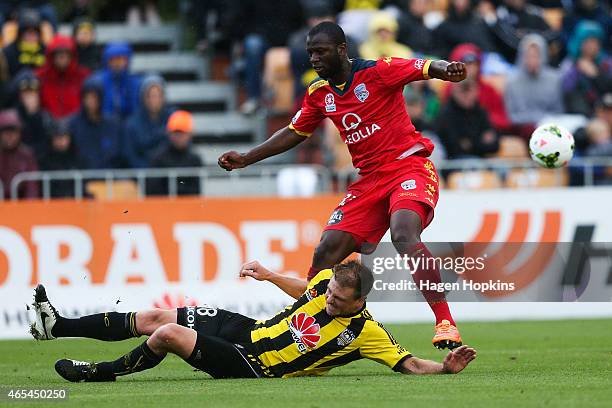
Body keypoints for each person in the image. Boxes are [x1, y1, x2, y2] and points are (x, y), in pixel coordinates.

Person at [219, 22, 467, 349]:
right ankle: (311, 327)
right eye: (310, 53)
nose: (314, 59)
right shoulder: (319, 93)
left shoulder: (379, 71)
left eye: (320, 52)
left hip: (408, 165)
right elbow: (295, 132)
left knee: (404, 233)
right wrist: (248, 158)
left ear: (341, 50)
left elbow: (422, 66)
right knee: (326, 251)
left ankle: (445, 322)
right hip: (368, 181)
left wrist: (446, 69)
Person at [29, 260, 477, 381]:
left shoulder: (366, 333)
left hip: (253, 363)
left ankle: (100, 374)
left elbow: (409, 363)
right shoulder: (325, 284)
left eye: (340, 301)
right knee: (153, 315)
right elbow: (306, 288)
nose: (330, 302)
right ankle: (59, 326)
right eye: (332, 293)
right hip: (247, 330)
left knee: (168, 334)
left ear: (360, 300)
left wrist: (445, 367)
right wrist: (267, 276)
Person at [504, 33, 564, 138]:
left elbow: (558, 111)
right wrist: (535, 121)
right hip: (523, 130)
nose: (532, 61)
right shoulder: (512, 81)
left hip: (550, 128)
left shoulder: (554, 79)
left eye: (536, 56)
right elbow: (511, 116)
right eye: (528, 56)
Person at [69, 78, 124, 169]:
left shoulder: (113, 124)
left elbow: (118, 154)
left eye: (94, 97)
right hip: (81, 177)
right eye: (87, 97)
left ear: (101, 98)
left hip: (109, 178)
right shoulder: (73, 125)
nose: (91, 101)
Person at [437, 79, 499, 159]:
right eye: (462, 91)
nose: (467, 95)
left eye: (470, 90)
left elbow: (495, 145)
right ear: (454, 92)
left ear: (477, 91)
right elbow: (455, 148)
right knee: (473, 163)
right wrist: (481, 141)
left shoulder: (481, 112)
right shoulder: (446, 115)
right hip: (454, 162)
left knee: (502, 166)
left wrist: (471, 143)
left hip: (482, 159)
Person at [561, 21, 612, 118]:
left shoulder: (606, 63)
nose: (592, 45)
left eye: (595, 41)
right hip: (582, 114)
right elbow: (569, 95)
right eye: (588, 41)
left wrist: (596, 75)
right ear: (579, 42)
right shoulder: (569, 65)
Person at [147, 110, 202, 196]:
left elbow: (197, 191)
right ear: (168, 133)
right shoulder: (158, 158)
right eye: (175, 132)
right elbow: (152, 191)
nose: (178, 136)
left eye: (182, 133)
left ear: (190, 134)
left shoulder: (195, 160)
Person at [36, 34, 91, 120]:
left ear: (72, 55)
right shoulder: (40, 76)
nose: (62, 57)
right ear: (51, 56)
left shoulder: (83, 76)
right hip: (47, 125)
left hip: (76, 125)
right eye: (58, 53)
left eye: (66, 53)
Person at [124, 75, 174, 168]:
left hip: (167, 172)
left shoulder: (173, 119)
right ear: (143, 98)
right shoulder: (132, 123)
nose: (153, 100)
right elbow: (130, 155)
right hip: (141, 173)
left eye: (157, 96)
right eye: (150, 96)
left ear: (163, 97)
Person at [11, 69, 53, 161]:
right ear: (19, 95)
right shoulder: (12, 117)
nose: (30, 97)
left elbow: (47, 145)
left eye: (33, 93)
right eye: (26, 93)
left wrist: (34, 115)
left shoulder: (46, 117)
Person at [38, 119, 87, 197]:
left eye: (64, 137)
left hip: (76, 203)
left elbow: (84, 186)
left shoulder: (79, 159)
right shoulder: (44, 161)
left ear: (70, 138)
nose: (61, 141)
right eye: (57, 137)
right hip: (51, 204)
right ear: (52, 139)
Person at [93, 42, 141, 120]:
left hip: (127, 126)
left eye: (121, 59)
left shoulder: (134, 82)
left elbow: (135, 110)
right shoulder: (98, 81)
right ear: (107, 61)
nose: (117, 63)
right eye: (114, 59)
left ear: (127, 61)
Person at [0, 109, 39, 199]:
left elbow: (32, 187)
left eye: (13, 131)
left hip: (22, 207)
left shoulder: (27, 156)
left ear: (19, 133)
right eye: (6, 132)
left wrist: (29, 209)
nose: (10, 136)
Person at [3, 9, 46, 78]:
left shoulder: (46, 51)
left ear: (39, 35)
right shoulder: (9, 52)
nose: (31, 37)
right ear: (20, 34)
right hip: (16, 85)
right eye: (28, 33)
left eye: (35, 33)